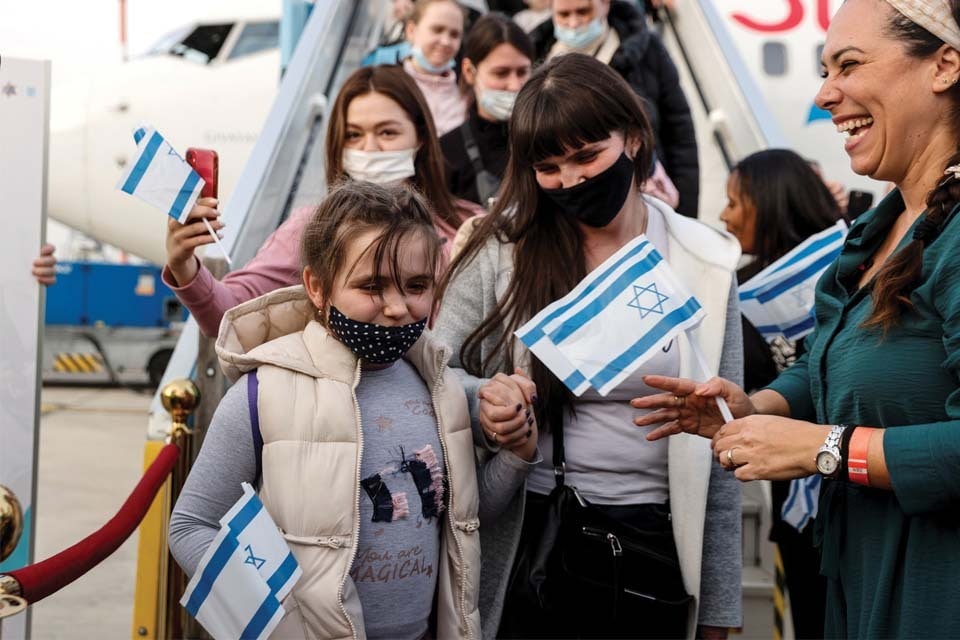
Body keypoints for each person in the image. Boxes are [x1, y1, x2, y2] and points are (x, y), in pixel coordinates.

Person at [635, 0, 960, 636]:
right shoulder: (877, 230)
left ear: (944, 66)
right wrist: (759, 407)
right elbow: (825, 362)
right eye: (823, 70)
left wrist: (827, 448)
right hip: (857, 580)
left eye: (848, 65)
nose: (827, 94)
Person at [434, 53, 742, 639]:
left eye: (586, 155)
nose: (571, 180)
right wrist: (487, 399)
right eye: (548, 166)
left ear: (630, 137)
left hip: (655, 544)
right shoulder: (500, 248)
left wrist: (721, 608)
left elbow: (721, 444)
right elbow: (435, 372)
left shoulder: (703, 260)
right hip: (532, 533)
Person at [168, 181, 538, 638]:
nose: (398, 307)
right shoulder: (261, 391)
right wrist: (276, 623)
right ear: (317, 288)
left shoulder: (440, 386)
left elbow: (461, 514)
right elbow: (191, 526)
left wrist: (517, 456)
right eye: (371, 287)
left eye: (417, 286)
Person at [163, 65, 482, 338]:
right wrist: (184, 264)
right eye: (353, 135)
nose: (369, 148)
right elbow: (230, 314)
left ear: (421, 138)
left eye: (387, 133)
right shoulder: (314, 226)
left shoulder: (471, 226)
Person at [719, 148, 845, 639]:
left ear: (769, 204)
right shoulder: (740, 287)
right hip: (796, 501)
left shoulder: (856, 262)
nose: (724, 216)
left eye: (734, 202)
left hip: (863, 481)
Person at [527, 0, 699, 216]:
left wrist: (684, 214)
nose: (573, 23)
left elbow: (680, 135)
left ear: (605, 4)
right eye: (563, 15)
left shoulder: (645, 50)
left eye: (583, 11)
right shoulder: (533, 62)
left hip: (650, 201)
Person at [440, 13, 534, 207]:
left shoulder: (547, 138)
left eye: (522, 72)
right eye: (501, 73)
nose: (515, 85)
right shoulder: (446, 152)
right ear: (469, 71)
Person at [402, 0, 469, 136]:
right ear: (411, 31)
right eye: (437, 30)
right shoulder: (387, 85)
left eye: (455, 35)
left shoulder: (467, 97)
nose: (446, 42)